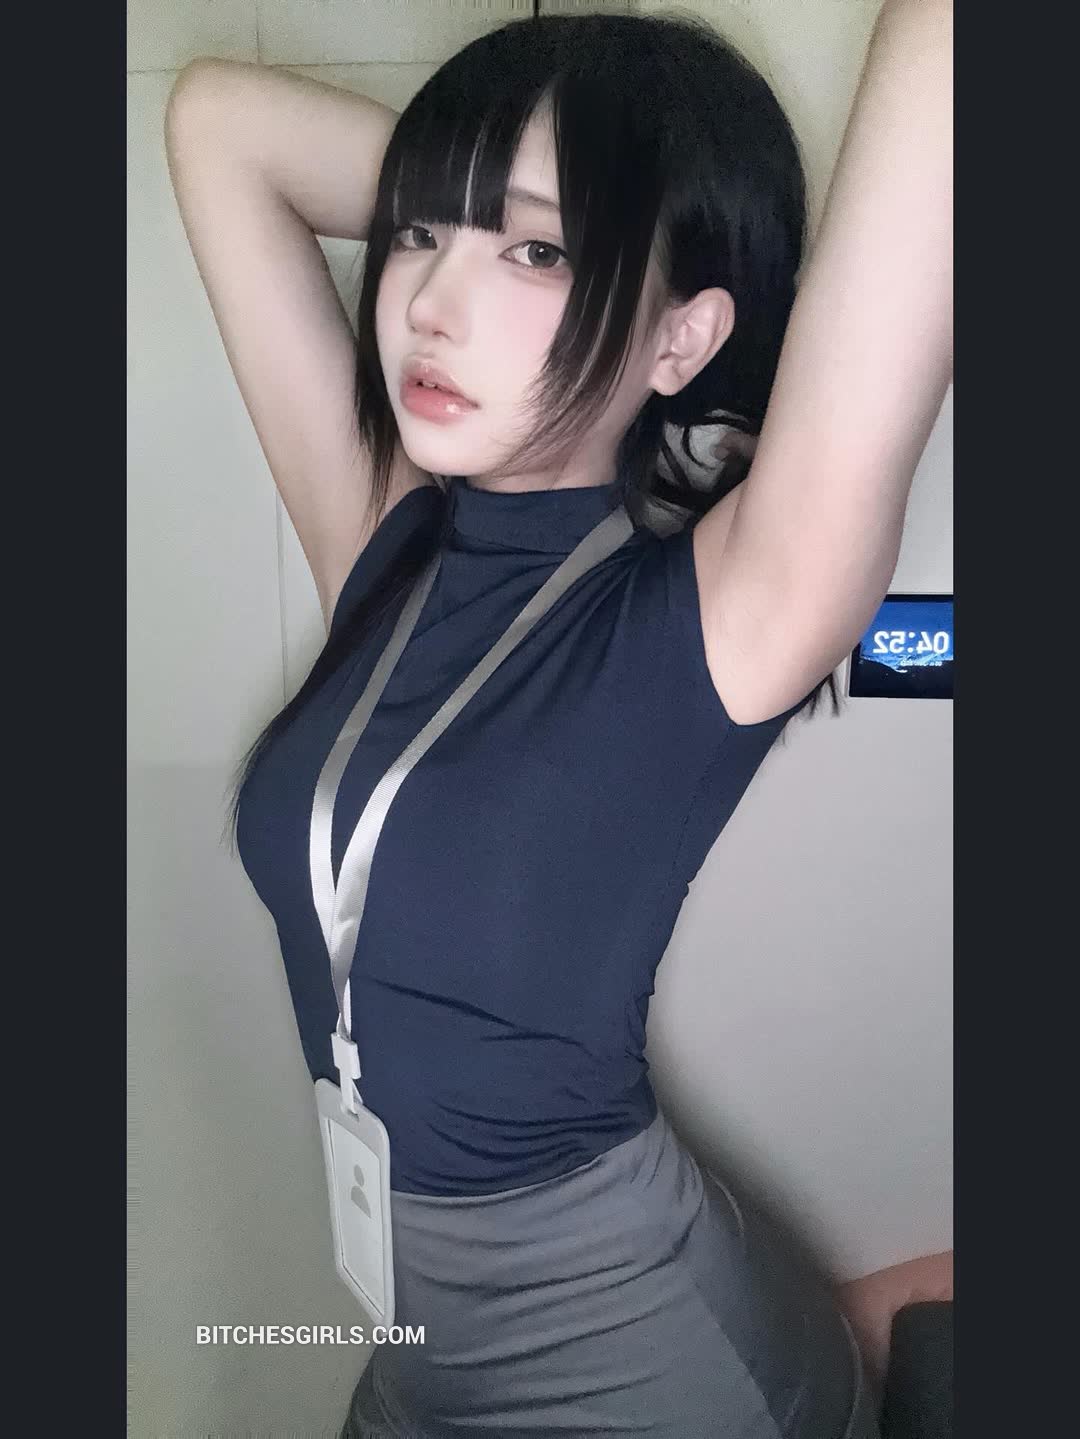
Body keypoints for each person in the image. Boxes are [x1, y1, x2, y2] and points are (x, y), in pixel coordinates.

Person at [164, 3, 951, 1435]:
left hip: (643, 1361)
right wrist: (520, 208)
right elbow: (220, 123)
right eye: (419, 233)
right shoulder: (387, 546)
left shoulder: (719, 615)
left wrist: (627, 234)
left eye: (534, 254)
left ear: (681, 337)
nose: (426, 302)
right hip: (412, 1346)